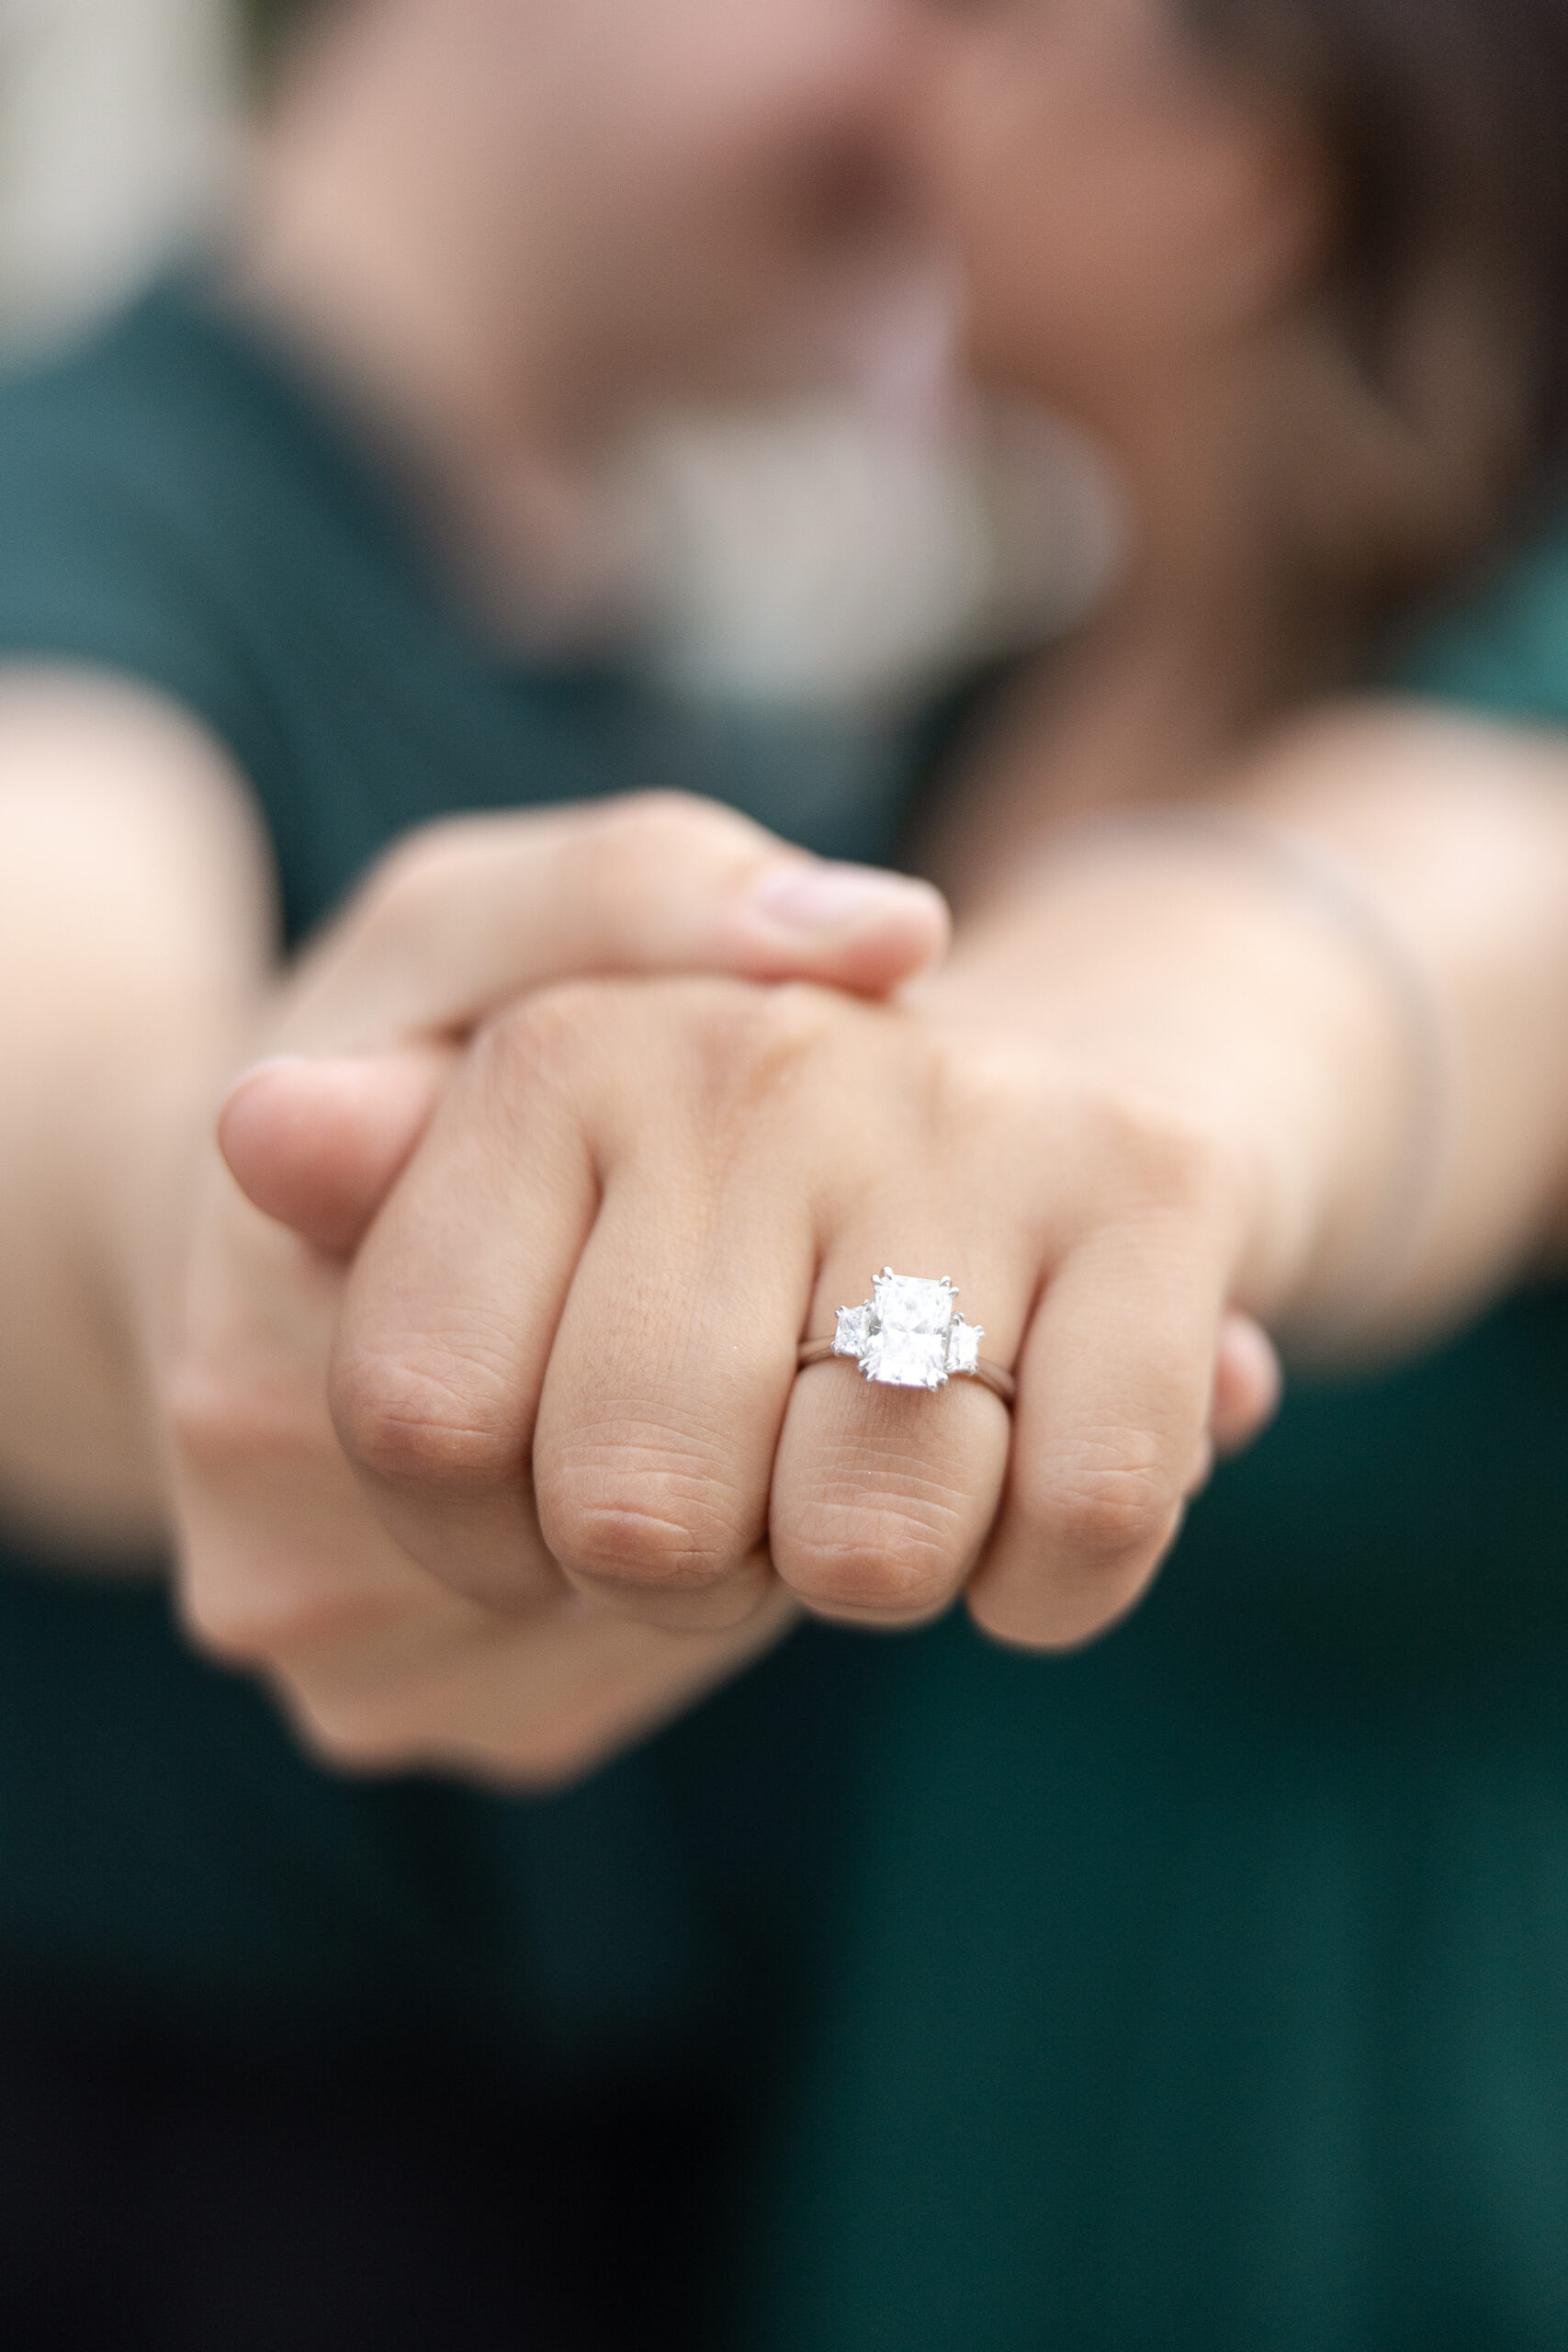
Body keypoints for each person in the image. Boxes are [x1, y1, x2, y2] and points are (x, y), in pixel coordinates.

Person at [2, 1, 1568, 2348]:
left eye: (1005, 26)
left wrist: (1077, 1099)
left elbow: (1395, 924)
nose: (919, 92)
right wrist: (218, 1247)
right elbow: (62, 1036)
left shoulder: (734, 669)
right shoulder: (941, 716)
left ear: (1247, 172)